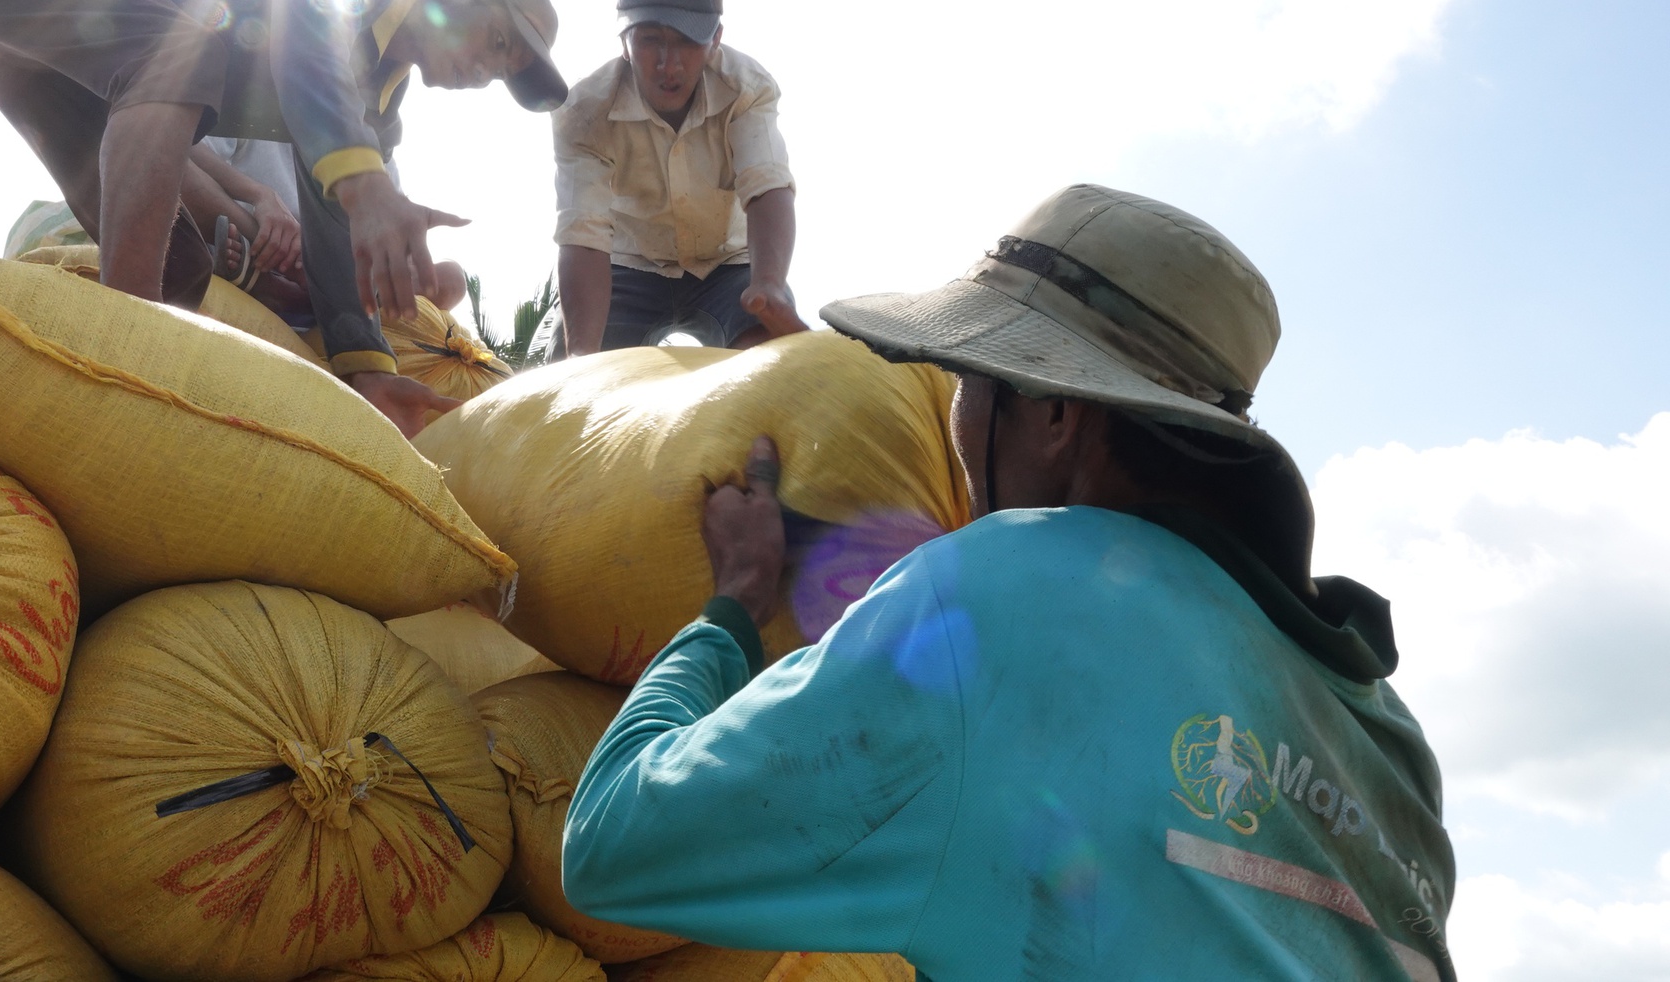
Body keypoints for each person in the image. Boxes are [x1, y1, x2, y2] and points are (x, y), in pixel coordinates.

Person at [562, 184, 1457, 981]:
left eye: (966, 380)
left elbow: (613, 843)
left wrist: (733, 608)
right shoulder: (1392, 736)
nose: (956, 416)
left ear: (1055, 412)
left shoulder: (1006, 591)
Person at [0, 0, 567, 436]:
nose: (490, 70)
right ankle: (127, 346)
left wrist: (367, 366)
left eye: (504, 71)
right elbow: (309, 46)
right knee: (183, 56)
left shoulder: (376, 104)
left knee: (181, 268)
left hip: (49, 75)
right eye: (498, 41)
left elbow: (330, 229)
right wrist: (366, 183)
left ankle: (40, 404)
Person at [551, 0, 808, 356]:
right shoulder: (583, 113)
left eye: (687, 42)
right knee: (584, 365)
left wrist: (770, 285)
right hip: (627, 266)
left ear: (714, 41)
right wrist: (581, 355)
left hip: (729, 265)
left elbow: (767, 186)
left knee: (767, 354)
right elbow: (583, 234)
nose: (668, 64)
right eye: (651, 40)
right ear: (624, 42)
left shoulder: (747, 88)